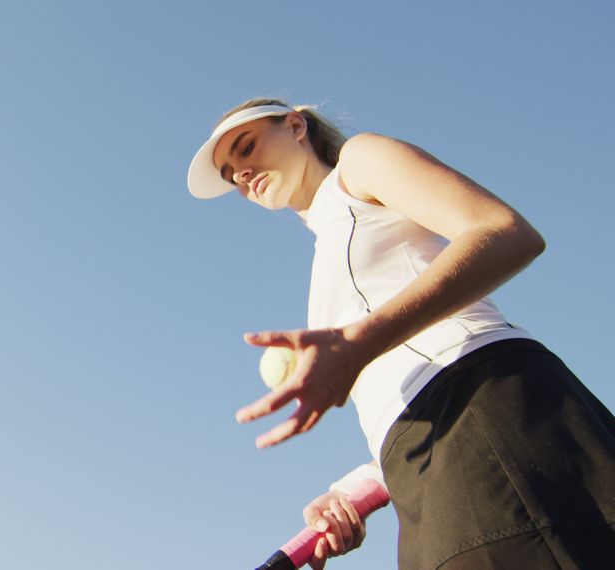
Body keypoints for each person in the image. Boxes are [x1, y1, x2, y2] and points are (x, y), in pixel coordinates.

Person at [187, 99, 615, 569]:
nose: (242, 174)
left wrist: (358, 342)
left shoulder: (359, 162)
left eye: (246, 148)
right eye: (232, 176)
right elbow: (397, 383)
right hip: (422, 462)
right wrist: (355, 489)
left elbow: (507, 232)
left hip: (488, 403)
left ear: (295, 126)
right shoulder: (325, 250)